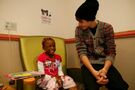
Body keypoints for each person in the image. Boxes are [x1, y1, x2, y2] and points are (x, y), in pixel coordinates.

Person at [75, 0, 129, 90]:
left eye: (81, 21)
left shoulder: (107, 27)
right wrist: (94, 72)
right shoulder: (79, 30)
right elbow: (81, 53)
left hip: (105, 63)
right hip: (88, 65)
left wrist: (104, 70)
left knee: (120, 86)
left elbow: (111, 52)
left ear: (89, 18)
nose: (79, 24)